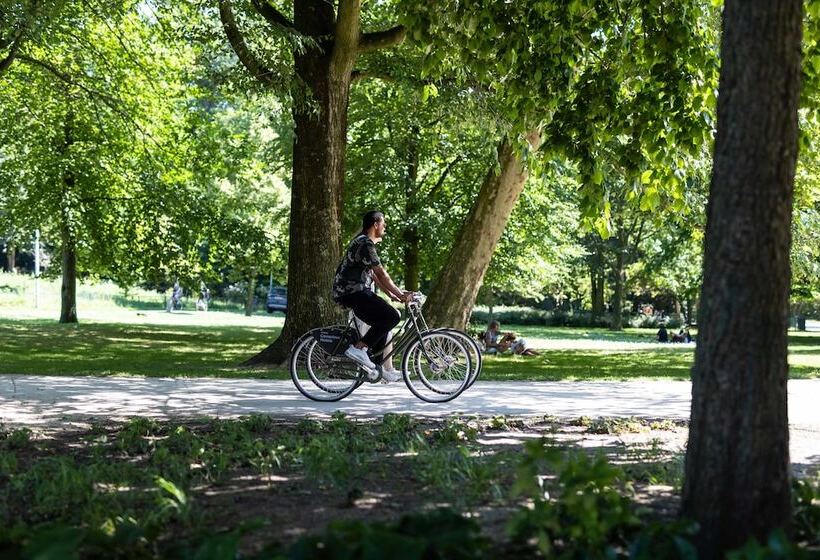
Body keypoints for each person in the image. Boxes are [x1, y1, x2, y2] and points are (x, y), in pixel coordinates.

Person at [332, 211, 412, 382]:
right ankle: (358, 349)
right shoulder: (365, 243)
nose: (385, 226)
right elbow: (381, 274)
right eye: (383, 223)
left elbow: (375, 277)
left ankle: (380, 369)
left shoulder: (363, 243)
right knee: (392, 316)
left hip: (354, 292)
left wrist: (395, 295)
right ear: (375, 224)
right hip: (353, 291)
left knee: (383, 321)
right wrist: (399, 294)